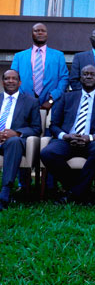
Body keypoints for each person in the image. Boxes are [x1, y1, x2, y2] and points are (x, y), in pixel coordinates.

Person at [40, 65, 95, 203]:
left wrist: (90, 138)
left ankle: (73, 193)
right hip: (67, 140)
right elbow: (54, 125)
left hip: (91, 142)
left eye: (92, 74)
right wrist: (66, 136)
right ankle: (81, 191)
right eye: (85, 74)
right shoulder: (66, 97)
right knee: (47, 153)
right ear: (80, 78)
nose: (88, 76)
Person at [0, 70, 42, 211]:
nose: (10, 81)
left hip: (14, 143)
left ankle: (5, 192)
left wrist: (17, 133)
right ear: (2, 82)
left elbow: (36, 128)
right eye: (7, 78)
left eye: (14, 78)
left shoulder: (31, 102)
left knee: (14, 142)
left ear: (20, 83)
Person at [11, 22, 69, 110]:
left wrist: (51, 100)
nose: (40, 33)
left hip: (52, 105)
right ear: (32, 34)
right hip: (24, 103)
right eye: (36, 31)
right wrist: (22, 98)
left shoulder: (58, 55)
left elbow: (64, 79)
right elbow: (13, 79)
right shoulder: (19, 56)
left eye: (43, 31)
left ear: (47, 34)